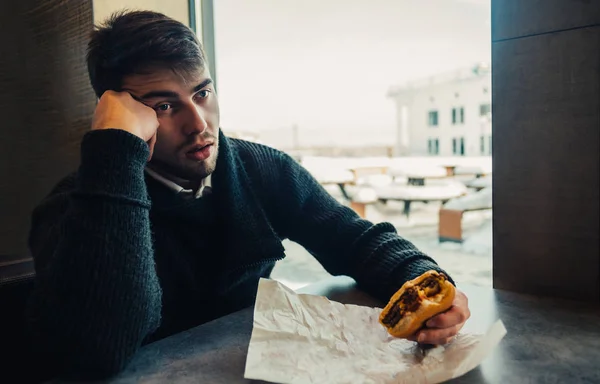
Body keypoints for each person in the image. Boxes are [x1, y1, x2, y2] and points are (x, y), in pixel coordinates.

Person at [26, 10, 470, 380]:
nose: (198, 123)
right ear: (122, 113)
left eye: (202, 92)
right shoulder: (74, 209)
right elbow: (93, 355)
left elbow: (353, 238)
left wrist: (426, 279)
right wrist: (115, 153)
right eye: (164, 106)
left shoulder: (259, 167)